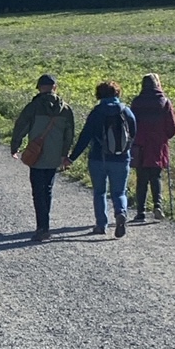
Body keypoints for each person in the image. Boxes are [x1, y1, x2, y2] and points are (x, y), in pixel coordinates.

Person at [63, 81, 137, 237]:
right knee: (119, 192)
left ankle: (101, 225)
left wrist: (72, 158)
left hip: (98, 158)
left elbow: (85, 137)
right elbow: (134, 134)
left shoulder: (96, 112)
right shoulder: (126, 111)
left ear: (99, 95)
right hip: (121, 159)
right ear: (117, 93)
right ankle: (120, 212)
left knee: (100, 192)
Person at [10, 73, 75, 241]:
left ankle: (42, 227)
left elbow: (21, 127)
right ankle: (45, 225)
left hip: (36, 156)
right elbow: (69, 135)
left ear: (39, 88)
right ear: (55, 87)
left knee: (37, 192)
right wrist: (64, 154)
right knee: (47, 190)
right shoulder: (66, 109)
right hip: (54, 157)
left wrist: (15, 146)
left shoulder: (33, 107)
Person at [129, 72, 175, 222]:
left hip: (140, 145)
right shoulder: (164, 102)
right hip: (157, 145)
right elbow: (172, 128)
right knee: (156, 176)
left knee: (141, 178)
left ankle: (141, 212)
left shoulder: (136, 102)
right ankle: (158, 205)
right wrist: (163, 137)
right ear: (157, 84)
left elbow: (131, 124)